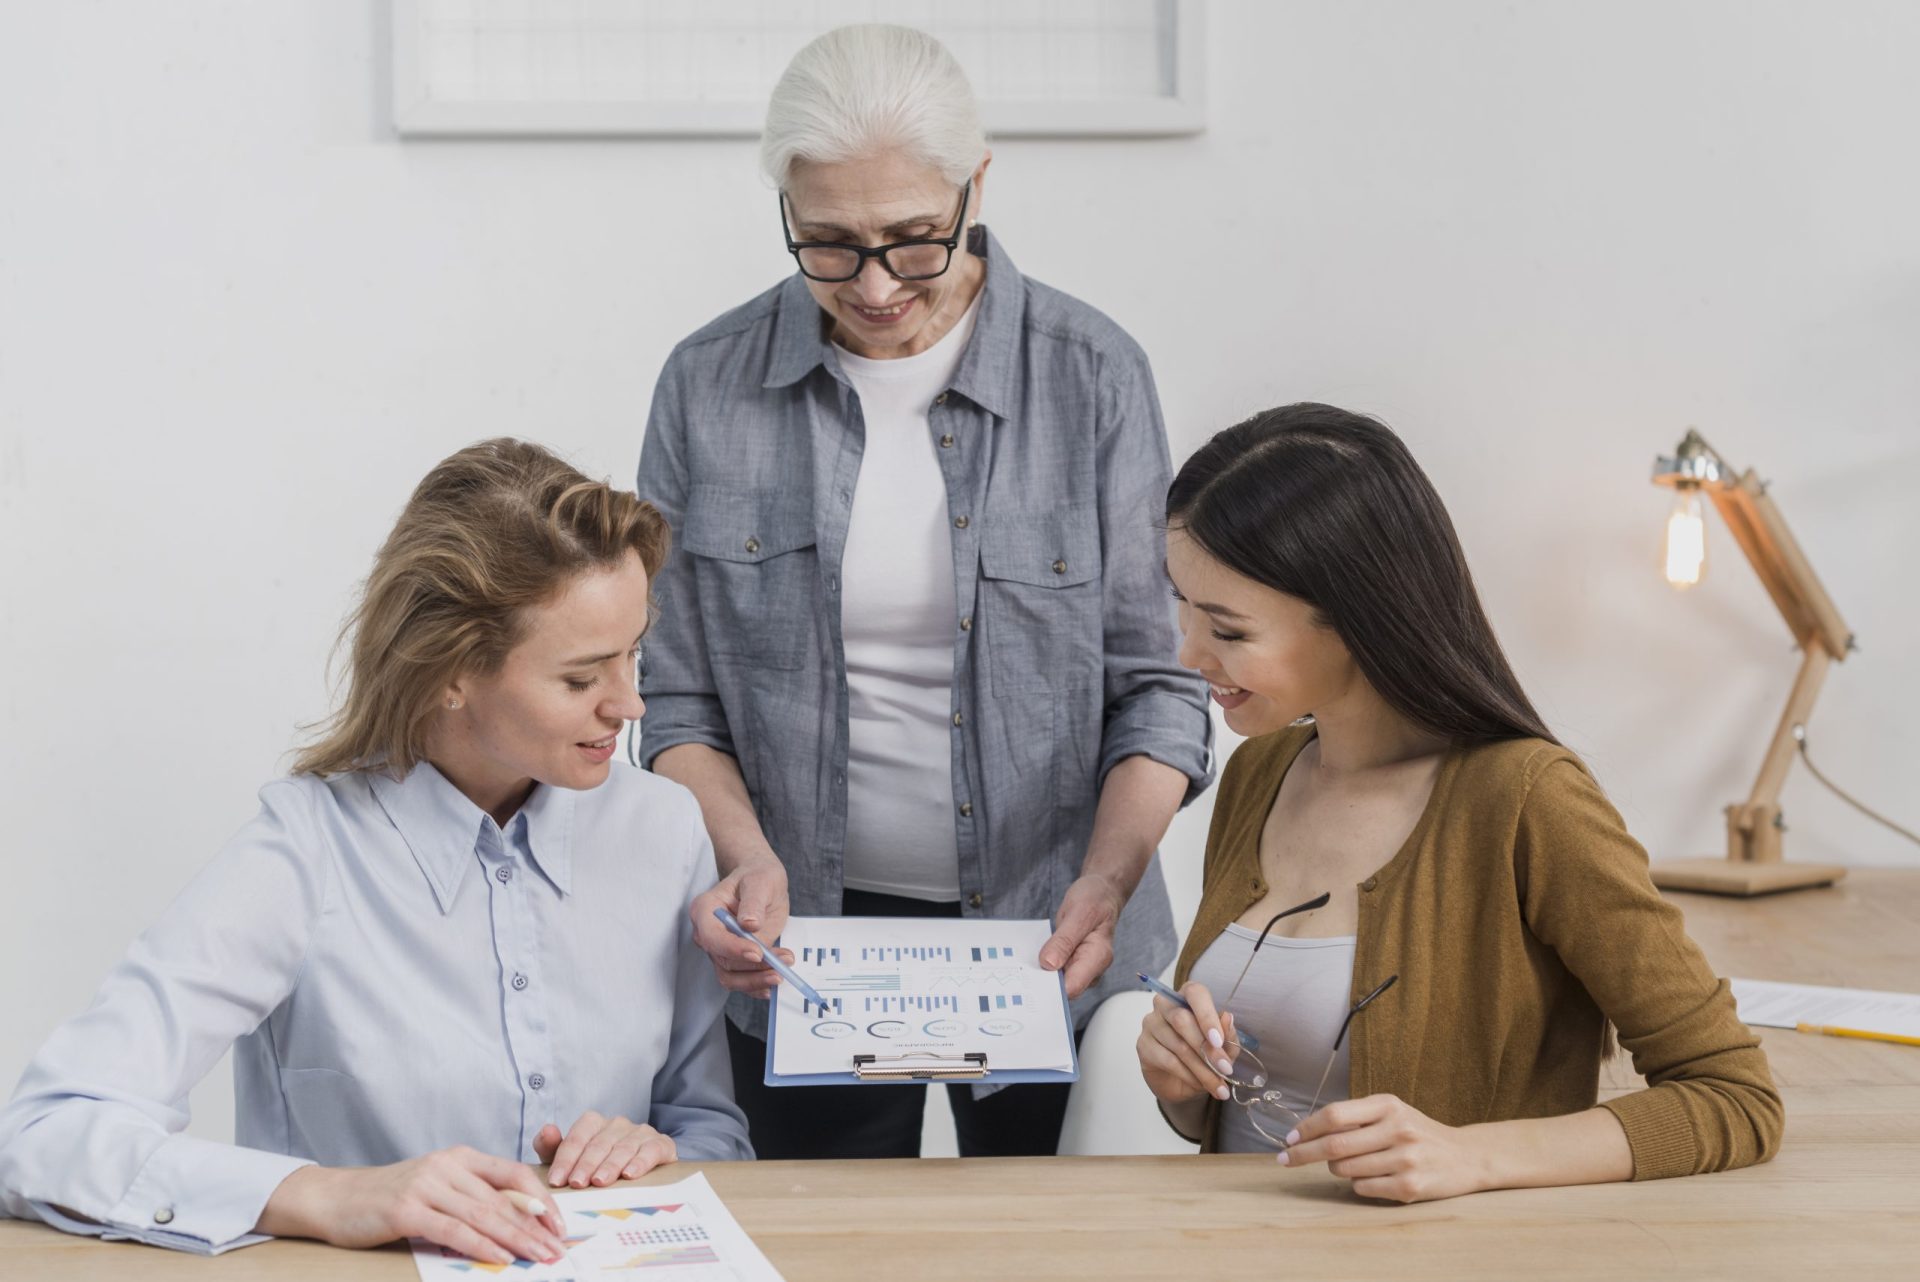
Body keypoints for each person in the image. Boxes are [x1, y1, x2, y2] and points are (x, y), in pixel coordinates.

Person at [637, 24, 1211, 1159]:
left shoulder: (1093, 376)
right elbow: (677, 697)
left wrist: (1110, 872)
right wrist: (745, 856)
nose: (877, 284)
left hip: (1061, 930)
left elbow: (1159, 683)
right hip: (808, 947)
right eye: (831, 246)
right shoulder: (707, 386)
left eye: (913, 240)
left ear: (975, 187)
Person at [0, 440, 751, 1260]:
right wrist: (329, 1193)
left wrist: (657, 1153)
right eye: (581, 678)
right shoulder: (305, 851)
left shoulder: (664, 828)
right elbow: (45, 1133)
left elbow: (709, 1128)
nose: (632, 703)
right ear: (449, 672)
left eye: (634, 652)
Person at [1137, 404, 1783, 1201]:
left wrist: (1474, 1157)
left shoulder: (1526, 803)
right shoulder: (1259, 774)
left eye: (1229, 632)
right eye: (1183, 609)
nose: (1188, 654)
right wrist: (1180, 1084)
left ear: (1358, 623)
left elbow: (1735, 1098)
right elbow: (1254, 1115)